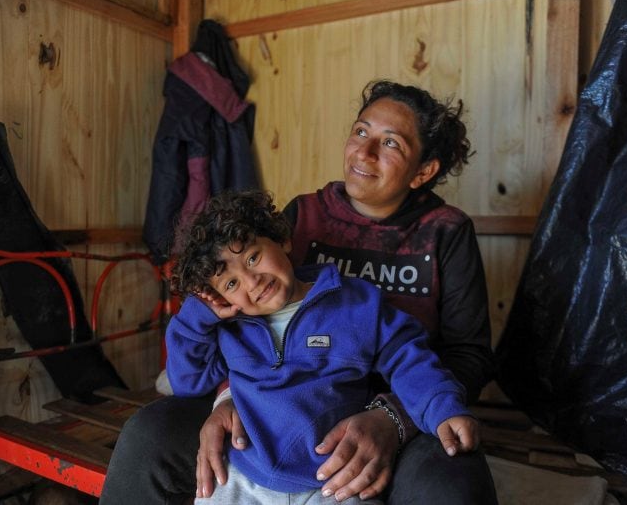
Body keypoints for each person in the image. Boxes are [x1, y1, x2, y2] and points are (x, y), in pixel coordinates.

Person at [99, 80, 497, 505]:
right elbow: (242, 325)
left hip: (405, 405)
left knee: (455, 484)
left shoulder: (445, 232)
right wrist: (227, 399)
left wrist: (392, 418)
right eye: (361, 132)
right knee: (148, 434)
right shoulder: (304, 214)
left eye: (391, 144)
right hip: (270, 403)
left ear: (423, 170)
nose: (364, 153)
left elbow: (467, 357)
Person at [166, 189, 478, 505]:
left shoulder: (357, 303)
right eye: (231, 284)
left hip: (334, 478)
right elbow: (188, 382)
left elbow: (408, 357)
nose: (251, 280)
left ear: (281, 240)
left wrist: (442, 407)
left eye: (252, 257)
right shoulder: (230, 328)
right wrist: (196, 317)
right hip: (243, 477)